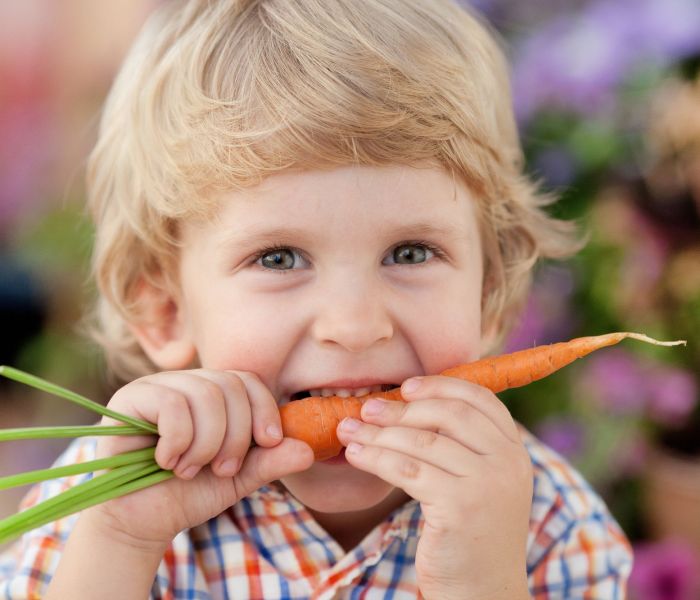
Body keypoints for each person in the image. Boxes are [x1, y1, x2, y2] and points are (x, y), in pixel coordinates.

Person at [0, 0, 633, 597]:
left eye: (410, 253)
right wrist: (120, 544)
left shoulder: (545, 520)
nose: (355, 325)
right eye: (278, 259)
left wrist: (485, 583)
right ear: (165, 311)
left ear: (490, 293)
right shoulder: (107, 499)